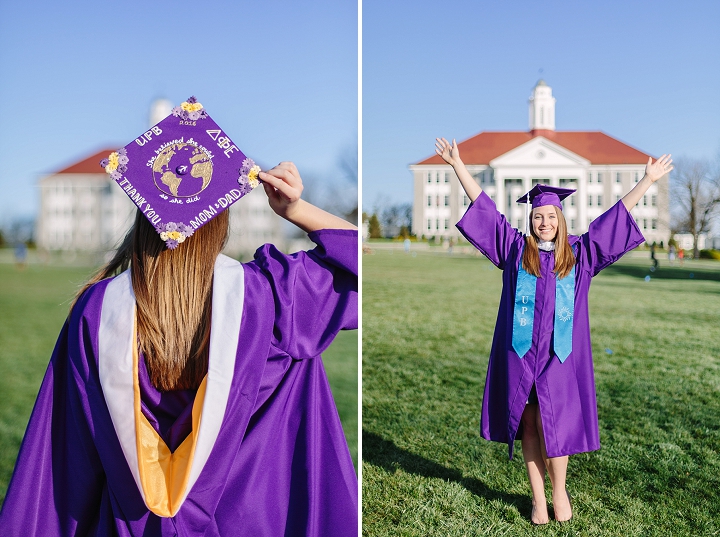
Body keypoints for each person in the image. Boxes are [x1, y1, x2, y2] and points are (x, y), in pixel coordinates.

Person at [0, 100, 358, 536]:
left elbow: (64, 461)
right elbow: (358, 266)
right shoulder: (272, 298)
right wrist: (295, 210)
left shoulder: (96, 315)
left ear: (143, 219)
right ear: (219, 217)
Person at [435, 137, 672, 524]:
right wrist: (459, 165)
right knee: (528, 421)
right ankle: (537, 499)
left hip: (560, 355)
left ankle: (559, 491)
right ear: (531, 220)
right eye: (537, 217)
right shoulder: (515, 251)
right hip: (521, 353)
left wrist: (646, 182)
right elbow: (487, 211)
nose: (543, 222)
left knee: (554, 422)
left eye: (550, 217)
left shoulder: (580, 255)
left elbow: (613, 220)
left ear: (561, 219)